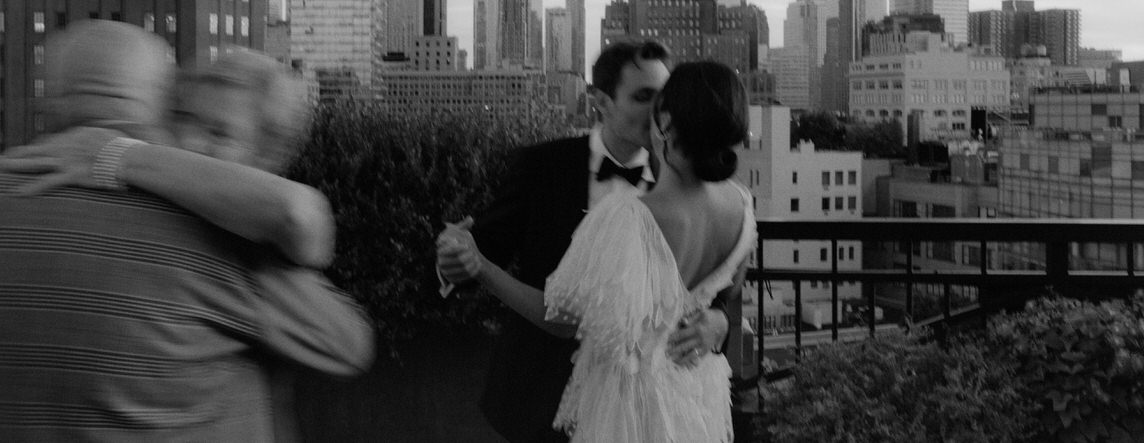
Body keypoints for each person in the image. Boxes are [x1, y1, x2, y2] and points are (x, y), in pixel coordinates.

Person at [0, 21, 371, 441]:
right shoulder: (211, 240)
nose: (194, 144)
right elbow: (347, 342)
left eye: (218, 132)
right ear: (160, 103)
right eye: (187, 119)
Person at [436, 41, 735, 443]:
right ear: (601, 102)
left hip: (646, 413)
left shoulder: (691, 189)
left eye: (665, 98)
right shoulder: (542, 167)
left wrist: (720, 323)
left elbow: (714, 295)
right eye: (643, 96)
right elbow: (484, 250)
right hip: (537, 400)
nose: (660, 111)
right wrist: (454, 259)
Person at [542, 60, 754, 442]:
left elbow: (561, 318)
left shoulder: (628, 216)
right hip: (697, 395)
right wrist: (719, 321)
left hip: (633, 407)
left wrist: (484, 270)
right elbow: (731, 292)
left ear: (666, 123)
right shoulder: (742, 204)